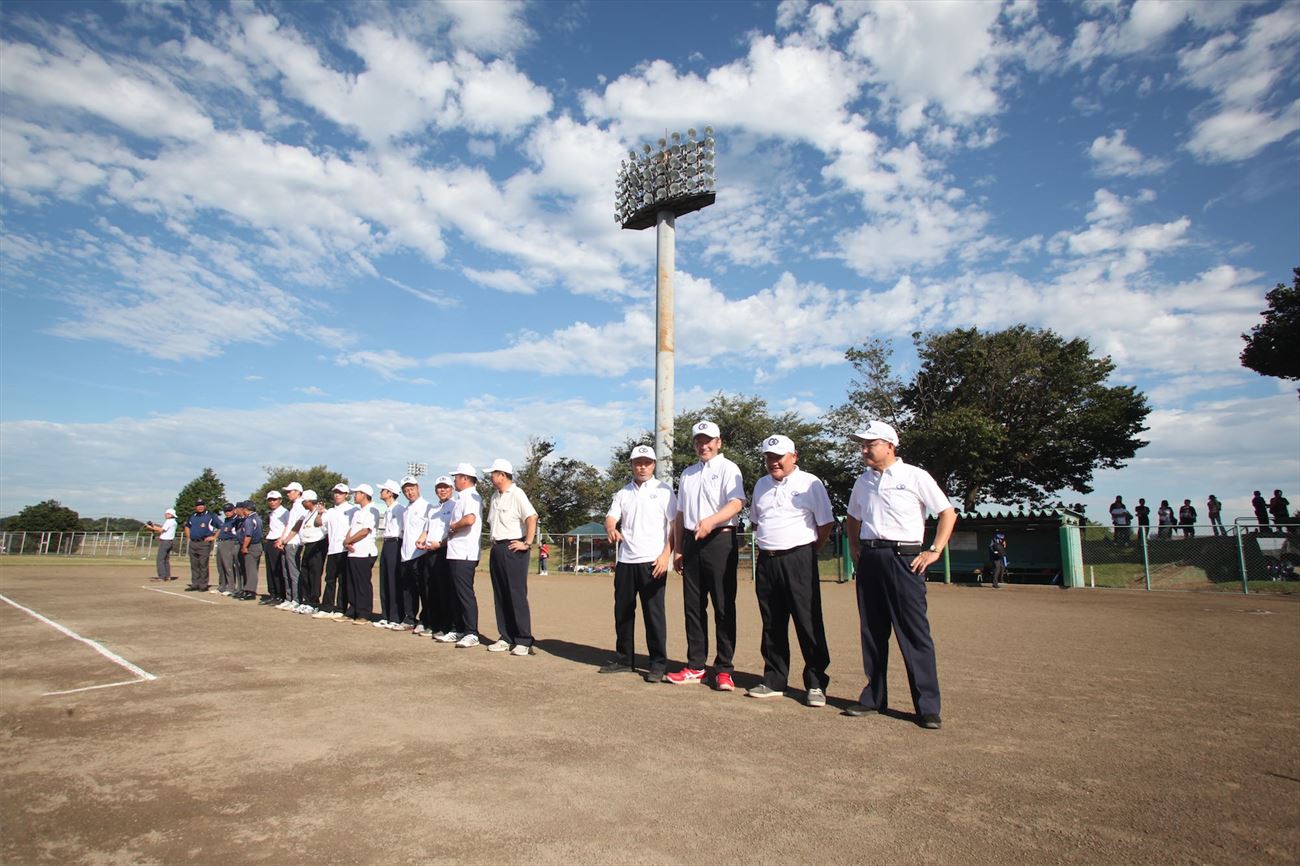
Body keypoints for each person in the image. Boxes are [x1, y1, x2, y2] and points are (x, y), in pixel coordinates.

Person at [843, 420, 956, 730]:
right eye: (862, 445)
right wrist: (854, 546)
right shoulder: (862, 482)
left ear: (890, 446)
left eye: (870, 444)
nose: (864, 450)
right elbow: (853, 517)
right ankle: (873, 698)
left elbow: (947, 512)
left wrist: (934, 549)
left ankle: (927, 707)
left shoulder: (915, 476)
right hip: (870, 558)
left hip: (905, 559)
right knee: (872, 630)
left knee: (913, 632)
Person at [744, 435, 834, 707]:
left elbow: (825, 523)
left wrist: (808, 551)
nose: (774, 462)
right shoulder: (761, 484)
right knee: (772, 622)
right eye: (769, 458)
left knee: (807, 621)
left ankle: (816, 683)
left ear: (793, 456)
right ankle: (774, 679)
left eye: (779, 457)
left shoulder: (810, 482)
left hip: (799, 558)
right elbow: (756, 521)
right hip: (767, 560)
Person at [669, 420, 747, 690]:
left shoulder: (729, 468)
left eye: (708, 441)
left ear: (718, 442)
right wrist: (679, 549)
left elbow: (736, 503)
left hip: (720, 540)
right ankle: (695, 666)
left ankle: (724, 670)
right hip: (692, 543)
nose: (704, 446)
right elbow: (680, 513)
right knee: (693, 606)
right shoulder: (687, 474)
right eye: (699, 441)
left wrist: (711, 521)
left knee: (723, 606)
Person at [601, 445, 676, 682]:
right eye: (638, 463)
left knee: (654, 615)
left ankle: (657, 664)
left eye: (647, 463)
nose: (642, 467)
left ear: (654, 465)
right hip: (626, 561)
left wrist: (666, 555)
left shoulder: (664, 490)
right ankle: (624, 660)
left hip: (653, 562)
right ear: (632, 465)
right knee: (623, 612)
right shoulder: (623, 492)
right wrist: (611, 527)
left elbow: (675, 525)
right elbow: (611, 517)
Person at [486, 458, 538, 656]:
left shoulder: (517, 493)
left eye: (493, 473)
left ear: (502, 475)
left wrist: (527, 542)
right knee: (500, 594)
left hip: (514, 547)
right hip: (497, 547)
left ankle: (523, 639)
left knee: (516, 593)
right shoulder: (494, 496)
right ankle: (506, 636)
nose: (491, 477)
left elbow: (531, 517)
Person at [442, 464, 483, 647]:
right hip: (456, 552)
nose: (454, 480)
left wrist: (453, 526)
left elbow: (470, 519)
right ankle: (457, 629)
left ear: (465, 478)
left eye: (456, 477)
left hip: (464, 553)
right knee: (455, 593)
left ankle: (471, 632)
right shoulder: (462, 497)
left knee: (464, 593)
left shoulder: (471, 496)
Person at [424, 476, 460, 642]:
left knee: (445, 590)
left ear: (451, 489)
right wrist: (421, 539)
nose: (442, 490)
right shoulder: (433, 509)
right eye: (440, 487)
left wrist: (440, 544)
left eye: (446, 487)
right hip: (430, 552)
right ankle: (434, 624)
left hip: (445, 551)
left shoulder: (455, 506)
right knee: (432, 589)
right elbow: (427, 529)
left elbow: (453, 532)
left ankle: (446, 626)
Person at [315, 483, 356, 620]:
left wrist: (349, 542)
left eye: (340, 493)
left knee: (343, 580)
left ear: (346, 495)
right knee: (330, 579)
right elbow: (318, 523)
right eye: (336, 492)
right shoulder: (330, 511)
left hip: (344, 549)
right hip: (332, 550)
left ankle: (341, 608)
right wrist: (320, 513)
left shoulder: (352, 509)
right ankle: (327, 608)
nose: (337, 495)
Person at [399, 476, 434, 633]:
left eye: (411, 489)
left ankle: (425, 619)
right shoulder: (406, 509)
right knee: (408, 589)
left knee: (423, 589)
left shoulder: (427, 507)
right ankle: (409, 618)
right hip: (405, 554)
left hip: (420, 554)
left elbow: (429, 529)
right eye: (406, 490)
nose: (409, 493)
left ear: (418, 488)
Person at [343, 484, 379, 623]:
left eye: (357, 493)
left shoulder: (372, 510)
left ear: (364, 494)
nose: (354, 496)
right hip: (353, 552)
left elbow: (365, 531)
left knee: (362, 584)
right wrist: (346, 542)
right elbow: (352, 529)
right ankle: (353, 610)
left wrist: (349, 541)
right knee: (352, 583)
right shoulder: (358, 512)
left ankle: (364, 613)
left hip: (365, 552)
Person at [287, 491, 326, 614]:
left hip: (318, 544)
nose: (303, 503)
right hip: (307, 545)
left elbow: (321, 526)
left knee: (314, 574)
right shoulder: (306, 513)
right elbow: (297, 527)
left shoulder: (321, 512)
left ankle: (314, 603)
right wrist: (285, 540)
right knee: (305, 572)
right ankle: (307, 600)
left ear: (309, 501)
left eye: (304, 501)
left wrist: (320, 513)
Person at [374, 480, 404, 629]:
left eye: (383, 490)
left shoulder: (399, 509)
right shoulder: (388, 510)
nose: (381, 492)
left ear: (390, 493)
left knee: (393, 580)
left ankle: (395, 616)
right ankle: (385, 615)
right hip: (386, 543)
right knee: (384, 579)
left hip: (395, 543)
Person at [276, 482, 306, 608]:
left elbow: (298, 525)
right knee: (286, 571)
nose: (288, 494)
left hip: (294, 542)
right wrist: (281, 539)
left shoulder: (301, 505)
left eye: (290, 491)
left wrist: (286, 540)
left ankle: (297, 599)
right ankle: (289, 598)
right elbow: (289, 525)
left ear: (298, 492)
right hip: (288, 542)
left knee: (293, 572)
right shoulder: (294, 506)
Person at [261, 491, 288, 605]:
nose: (272, 502)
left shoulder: (284, 512)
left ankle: (280, 595)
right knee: (270, 570)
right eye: (270, 500)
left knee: (277, 569)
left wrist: (282, 540)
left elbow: (288, 526)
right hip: (270, 541)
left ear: (280, 500)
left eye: (274, 499)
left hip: (278, 541)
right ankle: (273, 594)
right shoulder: (271, 513)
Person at [236, 501, 263, 601]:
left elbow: (248, 535)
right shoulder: (258, 518)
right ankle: (248, 590)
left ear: (245, 509)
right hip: (257, 545)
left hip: (252, 546)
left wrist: (244, 547)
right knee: (251, 569)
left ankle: (250, 591)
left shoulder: (249, 520)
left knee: (250, 570)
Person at [216, 502, 243, 596]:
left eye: (229, 510)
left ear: (234, 510)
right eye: (225, 511)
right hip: (221, 542)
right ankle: (222, 586)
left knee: (228, 566)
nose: (227, 512)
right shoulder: (226, 520)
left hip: (229, 542)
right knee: (220, 566)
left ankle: (231, 587)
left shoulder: (236, 520)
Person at [144, 508, 178, 581]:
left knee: (160, 559)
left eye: (167, 514)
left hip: (165, 542)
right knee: (166, 560)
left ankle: (162, 576)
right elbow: (163, 529)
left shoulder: (169, 521)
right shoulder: (174, 522)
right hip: (169, 542)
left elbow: (161, 530)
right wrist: (153, 526)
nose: (165, 515)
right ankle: (167, 576)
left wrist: (150, 527)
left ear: (170, 514)